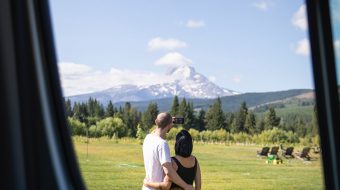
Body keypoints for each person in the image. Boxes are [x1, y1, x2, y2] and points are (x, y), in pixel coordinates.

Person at [142, 112, 194, 190]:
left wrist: (167, 120)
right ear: (170, 125)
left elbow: (157, 128)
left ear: (157, 123)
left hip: (146, 187)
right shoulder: (162, 144)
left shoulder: (147, 138)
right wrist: (186, 186)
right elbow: (169, 172)